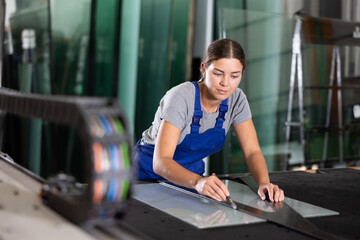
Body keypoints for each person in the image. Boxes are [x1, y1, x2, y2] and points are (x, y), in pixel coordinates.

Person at [135, 38, 284, 203]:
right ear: (204, 69)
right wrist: (197, 182)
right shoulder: (181, 97)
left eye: (234, 76)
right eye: (218, 73)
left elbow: (252, 151)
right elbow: (161, 161)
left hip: (190, 179)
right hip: (146, 178)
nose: (225, 83)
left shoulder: (237, 99)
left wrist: (264, 183)